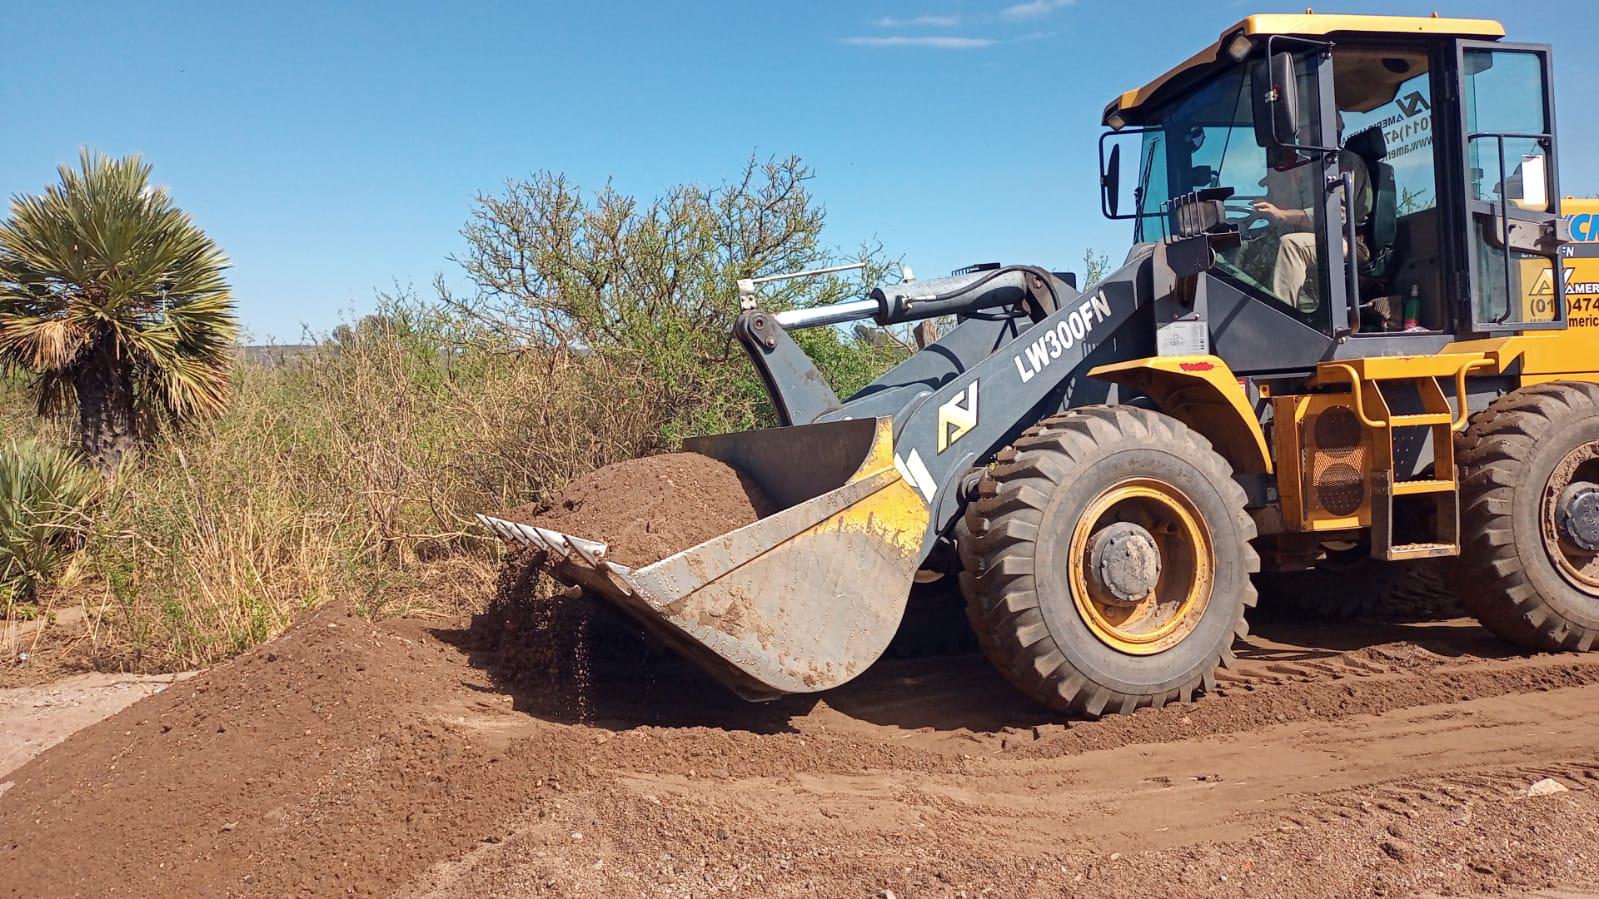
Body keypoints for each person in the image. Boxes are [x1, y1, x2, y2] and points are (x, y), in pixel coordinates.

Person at [1250, 115, 1373, 310]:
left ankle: (1283, 318)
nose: (1298, 138)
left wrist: (1281, 214)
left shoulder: (1346, 162)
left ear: (1321, 129)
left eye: (1303, 130)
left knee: (1291, 245)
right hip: (1319, 237)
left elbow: (1333, 217)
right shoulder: (1314, 168)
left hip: (1346, 241)